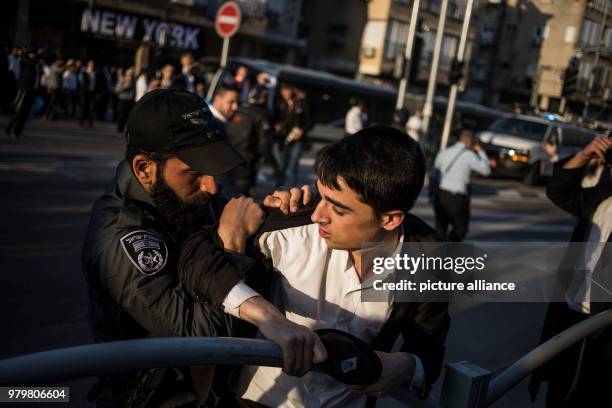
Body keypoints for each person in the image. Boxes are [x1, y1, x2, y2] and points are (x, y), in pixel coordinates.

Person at [83, 89, 326, 406]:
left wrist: (268, 216)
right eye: (195, 173)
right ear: (144, 168)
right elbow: (201, 344)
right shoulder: (120, 237)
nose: (212, 186)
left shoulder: (189, 197)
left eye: (213, 169)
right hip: (151, 398)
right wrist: (233, 245)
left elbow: (233, 223)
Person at [236, 126, 450, 407]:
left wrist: (409, 365)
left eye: (338, 209)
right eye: (320, 195)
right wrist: (236, 233)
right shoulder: (286, 229)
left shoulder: (430, 259)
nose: (317, 214)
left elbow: (429, 346)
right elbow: (210, 271)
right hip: (258, 401)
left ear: (390, 220)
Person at [529, 135, 612, 408]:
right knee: (559, 391)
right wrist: (586, 154)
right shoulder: (603, 194)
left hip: (605, 324)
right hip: (572, 312)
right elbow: (560, 191)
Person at [433, 129, 491, 241]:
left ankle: (437, 253)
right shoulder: (469, 155)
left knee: (440, 227)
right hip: (457, 198)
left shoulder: (445, 151)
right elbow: (486, 170)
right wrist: (480, 151)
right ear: (470, 142)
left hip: (441, 194)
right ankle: (448, 251)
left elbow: (436, 170)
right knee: (460, 228)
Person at [274, 84, 309, 187]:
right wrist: (277, 126)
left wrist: (302, 130)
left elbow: (309, 120)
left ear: (292, 91)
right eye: (283, 91)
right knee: (282, 164)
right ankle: (279, 187)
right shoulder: (280, 103)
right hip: (283, 138)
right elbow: (274, 118)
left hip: (297, 138)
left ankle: (291, 189)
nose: (285, 93)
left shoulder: (301, 103)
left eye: (287, 91)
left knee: (292, 165)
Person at [4, 48, 42, 138]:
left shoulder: (36, 62)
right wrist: (35, 56)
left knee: (26, 112)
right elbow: (31, 63)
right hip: (24, 88)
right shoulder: (25, 58)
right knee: (19, 110)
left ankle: (18, 131)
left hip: (32, 89)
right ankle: (9, 128)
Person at [114, 67, 136, 134]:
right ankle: (119, 130)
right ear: (126, 75)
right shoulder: (122, 80)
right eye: (128, 75)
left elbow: (134, 91)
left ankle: (125, 130)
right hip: (122, 100)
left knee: (128, 116)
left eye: (131, 75)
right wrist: (124, 87)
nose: (130, 76)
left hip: (130, 101)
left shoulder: (133, 82)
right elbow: (116, 90)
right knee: (121, 116)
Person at [79, 60, 98, 128]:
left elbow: (98, 83)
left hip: (92, 93)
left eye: (93, 65)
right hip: (85, 93)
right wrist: (88, 73)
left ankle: (90, 122)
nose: (92, 66)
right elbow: (82, 82)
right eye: (91, 65)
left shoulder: (96, 73)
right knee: (84, 107)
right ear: (88, 65)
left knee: (92, 108)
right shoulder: (84, 72)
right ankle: (82, 121)